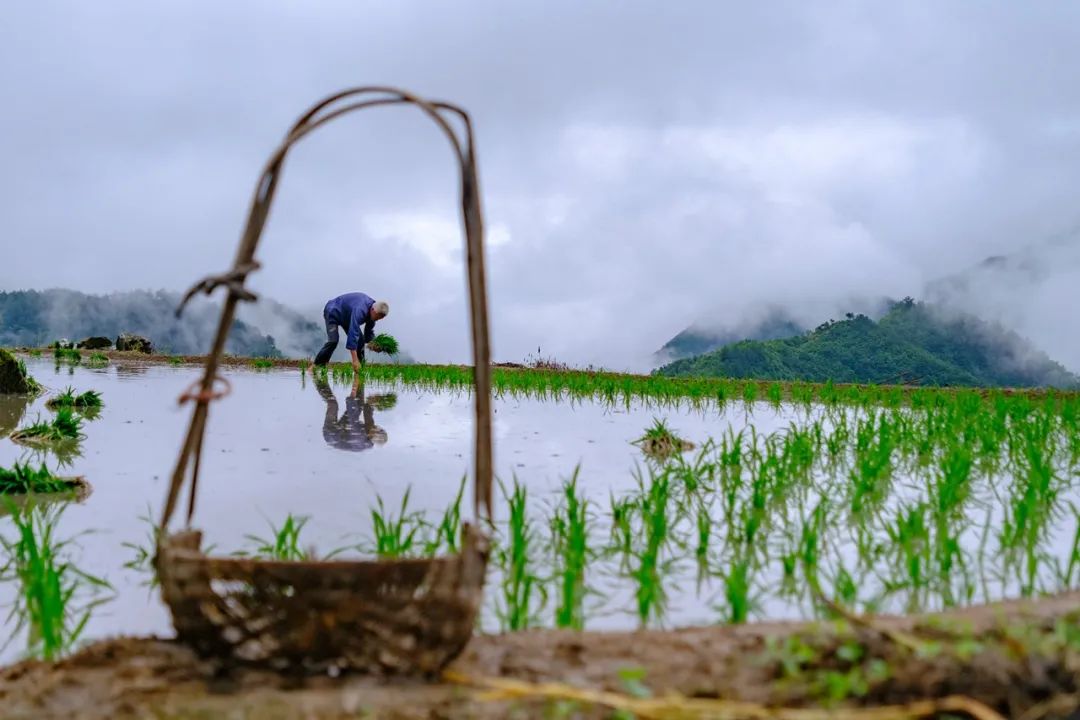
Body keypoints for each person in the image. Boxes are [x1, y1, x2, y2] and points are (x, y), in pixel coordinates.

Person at [313, 292, 389, 371]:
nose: (378, 319)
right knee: (333, 341)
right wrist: (354, 360)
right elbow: (353, 333)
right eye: (377, 316)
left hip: (347, 316)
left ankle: (361, 369)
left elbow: (368, 333)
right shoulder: (360, 310)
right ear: (372, 310)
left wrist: (374, 345)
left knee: (361, 340)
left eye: (380, 318)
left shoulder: (374, 312)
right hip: (333, 311)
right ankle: (315, 367)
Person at [313, 374, 389, 452]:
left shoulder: (358, 433)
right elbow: (367, 410)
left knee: (333, 403)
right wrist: (374, 401)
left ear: (370, 435)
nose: (376, 427)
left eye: (375, 430)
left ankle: (315, 376)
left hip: (331, 434)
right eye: (378, 428)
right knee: (359, 403)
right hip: (345, 433)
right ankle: (361, 373)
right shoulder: (371, 432)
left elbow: (351, 407)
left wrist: (355, 382)